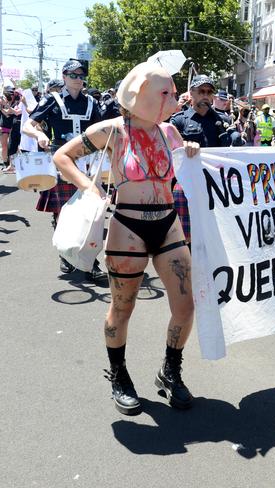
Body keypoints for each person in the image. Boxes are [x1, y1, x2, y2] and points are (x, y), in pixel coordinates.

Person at [52, 62, 199, 416]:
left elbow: (191, 172)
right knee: (122, 307)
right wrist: (91, 188)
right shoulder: (113, 131)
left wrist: (192, 151)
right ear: (141, 95)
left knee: (185, 306)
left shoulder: (171, 133)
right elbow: (63, 156)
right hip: (127, 227)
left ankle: (170, 370)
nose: (175, 98)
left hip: (168, 223)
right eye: (166, 93)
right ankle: (119, 374)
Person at [22, 59, 104, 281]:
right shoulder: (53, 99)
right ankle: (66, 254)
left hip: (88, 162)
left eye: (81, 75)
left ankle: (91, 261)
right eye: (73, 75)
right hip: (61, 163)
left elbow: (102, 130)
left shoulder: (91, 103)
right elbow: (28, 125)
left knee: (91, 213)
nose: (78, 79)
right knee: (64, 213)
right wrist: (39, 134)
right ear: (64, 76)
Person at [170, 74, 228, 244]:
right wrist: (183, 146)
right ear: (191, 93)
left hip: (215, 184)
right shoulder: (179, 120)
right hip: (187, 184)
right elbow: (171, 151)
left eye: (209, 92)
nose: (205, 96)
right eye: (201, 91)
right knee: (185, 238)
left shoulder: (222, 120)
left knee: (214, 237)